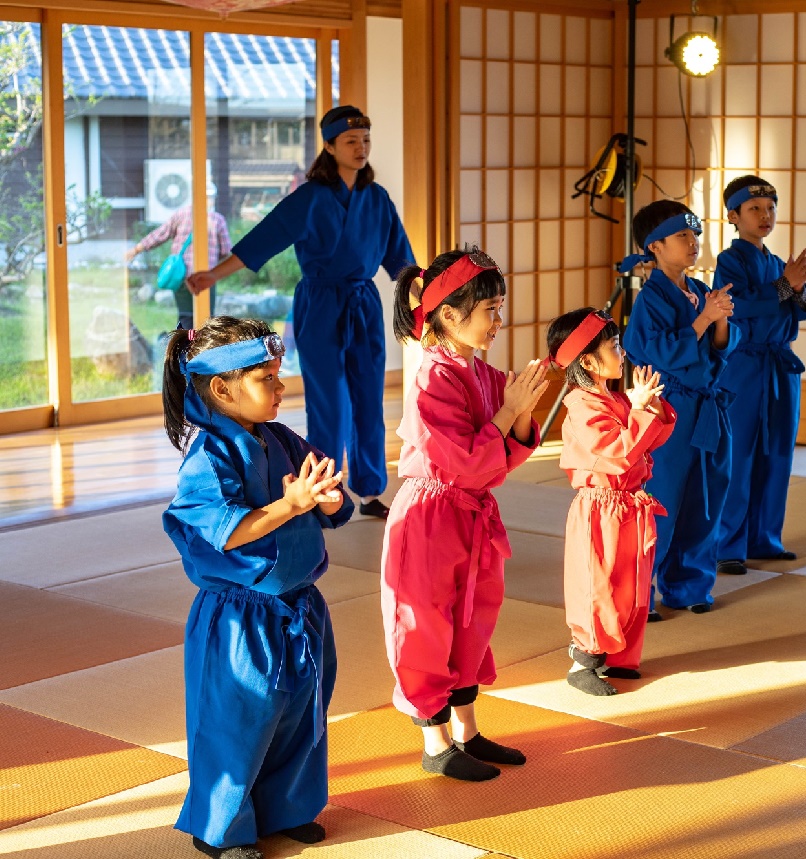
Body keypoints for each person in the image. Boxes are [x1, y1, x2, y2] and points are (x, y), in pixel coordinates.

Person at [161, 316, 354, 859]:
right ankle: (220, 829)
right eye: (266, 378)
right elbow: (224, 529)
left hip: (299, 606)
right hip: (239, 618)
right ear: (222, 388)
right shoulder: (208, 457)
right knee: (238, 722)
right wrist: (289, 505)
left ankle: (285, 808)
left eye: (277, 374)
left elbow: (323, 491)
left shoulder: (282, 438)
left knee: (299, 715)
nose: (280, 386)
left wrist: (327, 499)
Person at [187, 105, 415, 519]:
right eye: (350, 141)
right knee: (329, 404)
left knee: (368, 400)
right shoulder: (309, 198)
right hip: (321, 304)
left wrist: (427, 296)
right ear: (329, 146)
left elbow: (401, 260)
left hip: (363, 304)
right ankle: (326, 491)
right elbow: (263, 239)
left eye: (365, 140)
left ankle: (369, 491)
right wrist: (211, 276)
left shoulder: (377, 199)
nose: (361, 148)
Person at [383, 247, 549, 780]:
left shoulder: (478, 370)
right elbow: (464, 460)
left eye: (499, 309)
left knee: (470, 621)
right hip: (430, 515)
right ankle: (435, 744)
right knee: (426, 625)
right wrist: (509, 412)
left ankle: (468, 733)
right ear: (449, 316)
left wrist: (522, 408)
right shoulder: (433, 376)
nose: (498, 322)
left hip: (468, 512)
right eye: (490, 311)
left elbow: (506, 443)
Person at [548, 308, 677, 695]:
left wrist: (648, 406)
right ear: (587, 361)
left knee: (632, 585)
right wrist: (637, 411)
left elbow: (648, 440)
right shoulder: (582, 407)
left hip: (627, 506)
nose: (622, 352)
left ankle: (620, 656)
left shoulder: (616, 399)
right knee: (597, 585)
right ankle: (583, 660)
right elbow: (617, 452)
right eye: (614, 345)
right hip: (598, 510)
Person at [620, 200, 740, 617]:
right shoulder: (649, 300)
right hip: (667, 409)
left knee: (704, 499)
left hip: (707, 407)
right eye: (682, 236)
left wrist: (721, 318)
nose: (693, 243)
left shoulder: (702, 292)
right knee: (662, 499)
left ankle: (689, 586)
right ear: (654, 246)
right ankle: (640, 590)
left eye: (695, 235)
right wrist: (705, 320)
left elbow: (723, 348)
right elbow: (652, 352)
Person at [712, 176, 806, 575]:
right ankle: (728, 545)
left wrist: (796, 288)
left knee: (777, 452)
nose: (765, 215)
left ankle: (765, 538)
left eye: (770, 208)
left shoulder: (777, 262)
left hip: (780, 366)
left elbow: (805, 307)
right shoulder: (730, 260)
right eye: (754, 209)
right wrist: (783, 287)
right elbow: (735, 305)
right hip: (743, 365)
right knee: (738, 454)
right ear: (733, 217)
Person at [126, 182, 232, 330]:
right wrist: (213, 260)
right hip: (206, 277)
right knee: (206, 319)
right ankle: (202, 350)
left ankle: (183, 349)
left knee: (185, 316)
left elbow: (160, 234)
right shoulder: (217, 220)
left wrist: (137, 249)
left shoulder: (182, 214)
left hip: (181, 275)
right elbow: (226, 250)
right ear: (212, 198)